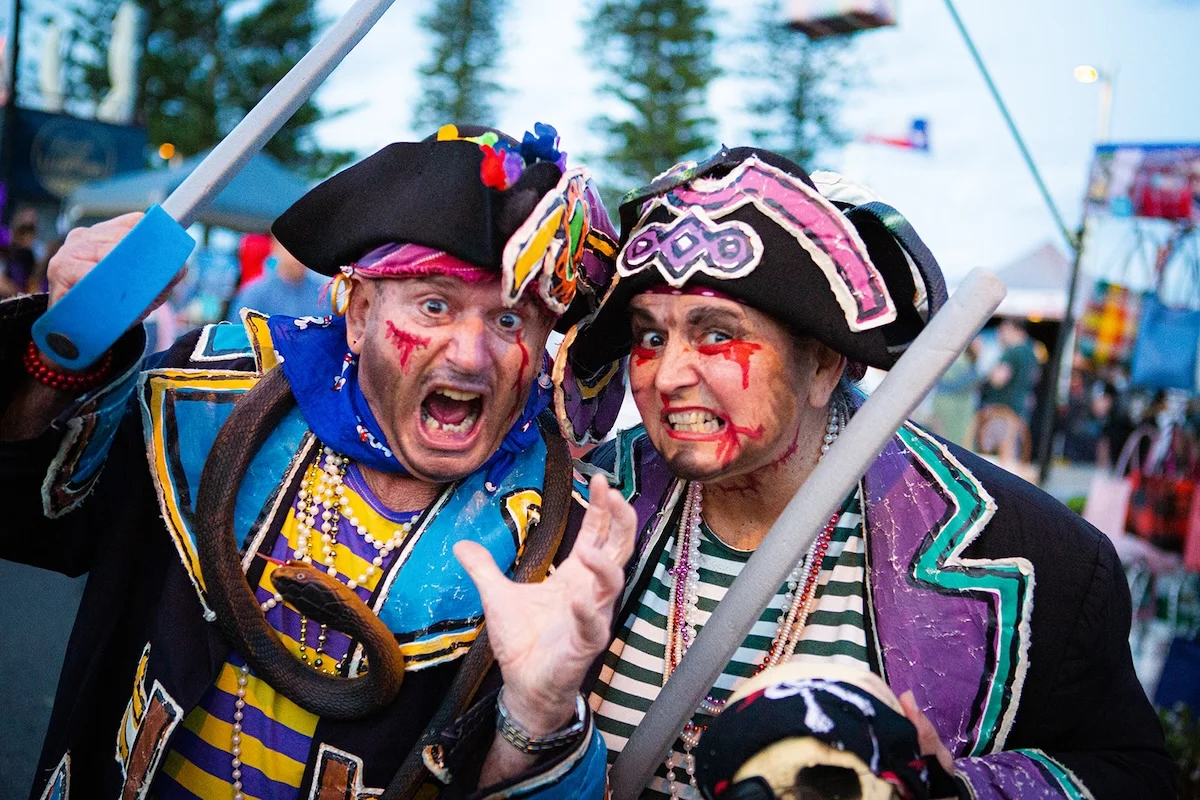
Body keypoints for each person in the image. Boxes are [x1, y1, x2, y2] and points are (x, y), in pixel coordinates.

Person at [456, 148, 1177, 798]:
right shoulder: (559, 511)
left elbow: (1132, 775)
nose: (669, 374)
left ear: (827, 362)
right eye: (651, 335)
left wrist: (952, 789)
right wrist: (534, 718)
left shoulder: (1038, 556)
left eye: (717, 333)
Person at [0, 124, 638, 798]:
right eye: (434, 305)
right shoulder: (208, 393)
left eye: (509, 321)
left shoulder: (565, 544)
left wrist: (538, 717)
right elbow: (31, 518)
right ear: (359, 314)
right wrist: (66, 350)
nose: (470, 354)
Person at [224, 235, 330, 322]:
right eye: (293, 249)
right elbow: (236, 337)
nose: (300, 256)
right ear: (275, 248)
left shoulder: (323, 295)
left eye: (306, 249)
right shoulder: (254, 294)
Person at [980, 318, 1040, 423]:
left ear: (1011, 329)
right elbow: (1036, 377)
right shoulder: (1031, 351)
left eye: (1002, 330)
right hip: (1020, 412)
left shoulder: (1012, 352)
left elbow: (998, 380)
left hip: (1000, 411)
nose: (1000, 334)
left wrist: (988, 374)